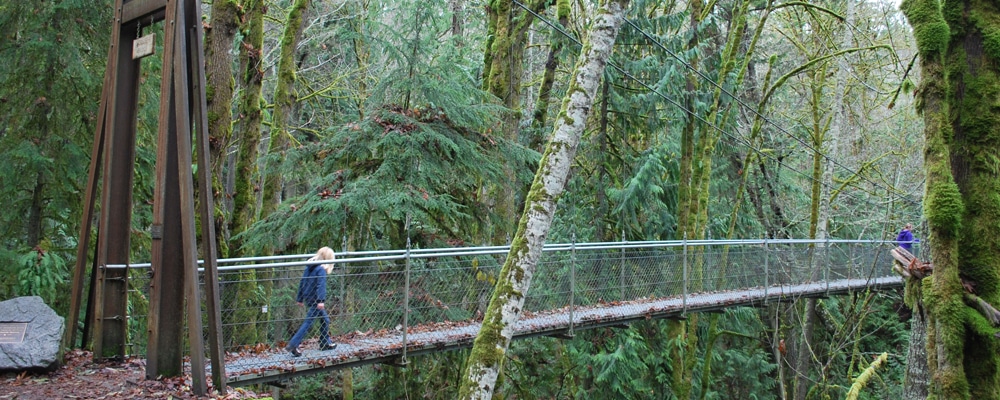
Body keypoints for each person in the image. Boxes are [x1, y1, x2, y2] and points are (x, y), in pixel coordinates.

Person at [286, 246, 337, 357]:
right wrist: (320, 301)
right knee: (308, 323)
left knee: (325, 320)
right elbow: (320, 286)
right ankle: (294, 344)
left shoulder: (309, 267)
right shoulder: (321, 269)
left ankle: (325, 342)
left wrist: (300, 298)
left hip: (309, 298)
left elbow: (302, 282)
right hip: (316, 300)